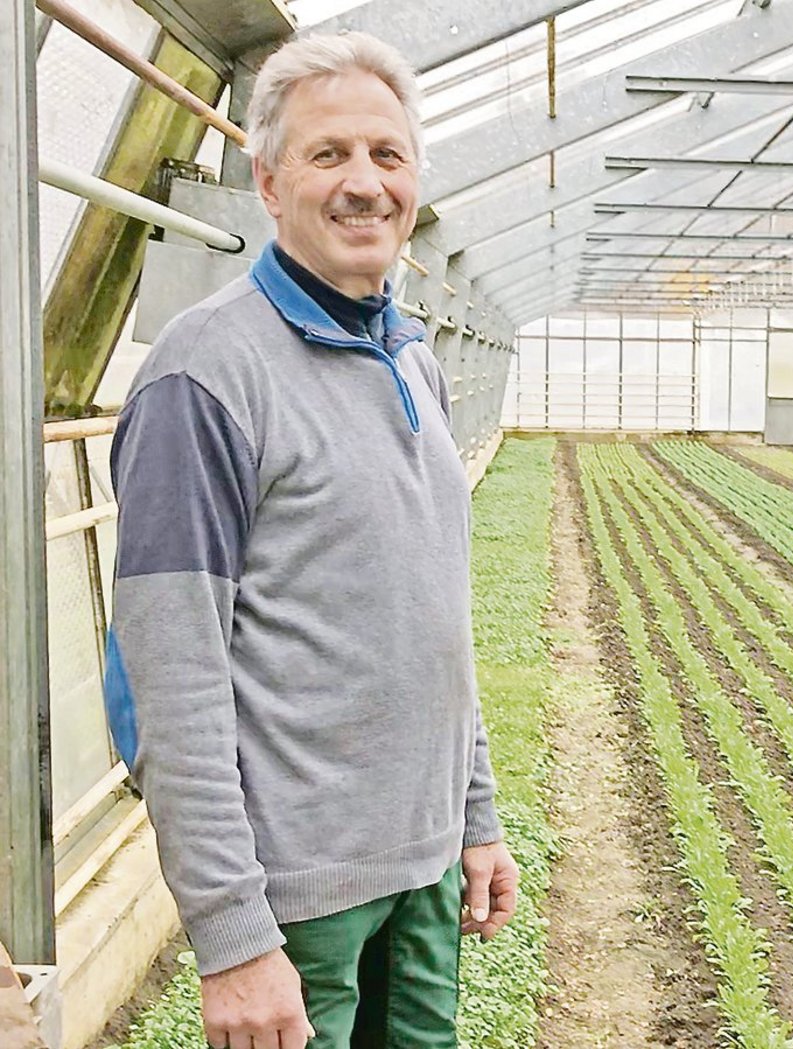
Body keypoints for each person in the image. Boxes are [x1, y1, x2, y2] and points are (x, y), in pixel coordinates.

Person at [102, 32, 518, 1049]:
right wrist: (233, 937)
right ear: (268, 181)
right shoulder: (206, 374)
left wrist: (473, 814)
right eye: (328, 153)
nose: (363, 183)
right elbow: (168, 676)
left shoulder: (414, 359)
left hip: (424, 872)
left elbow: (433, 619)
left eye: (387, 154)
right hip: (298, 898)